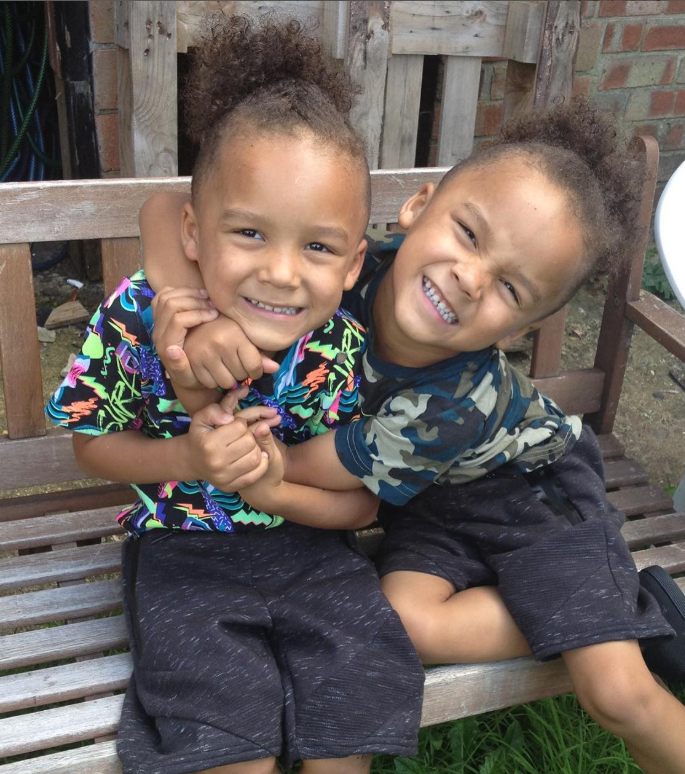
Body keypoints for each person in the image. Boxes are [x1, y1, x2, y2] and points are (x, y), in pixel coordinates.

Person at [143, 96, 685, 774]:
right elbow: (164, 209)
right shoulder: (350, 265)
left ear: (518, 331)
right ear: (418, 207)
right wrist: (200, 322)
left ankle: (608, 618)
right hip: (426, 501)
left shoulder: (452, 402)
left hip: (534, 495)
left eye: (510, 290)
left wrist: (248, 456)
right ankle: (601, 609)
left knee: (617, 696)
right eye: (468, 233)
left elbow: (310, 465)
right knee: (403, 621)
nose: (468, 278)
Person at [45, 16, 425, 774]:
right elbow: (90, 448)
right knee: (219, 735)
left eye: (316, 246)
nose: (281, 273)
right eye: (249, 233)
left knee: (353, 712)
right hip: (181, 551)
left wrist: (276, 488)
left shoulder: (345, 346)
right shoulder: (140, 314)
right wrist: (187, 458)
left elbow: (361, 507)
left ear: (353, 265)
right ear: (194, 232)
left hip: (316, 551)